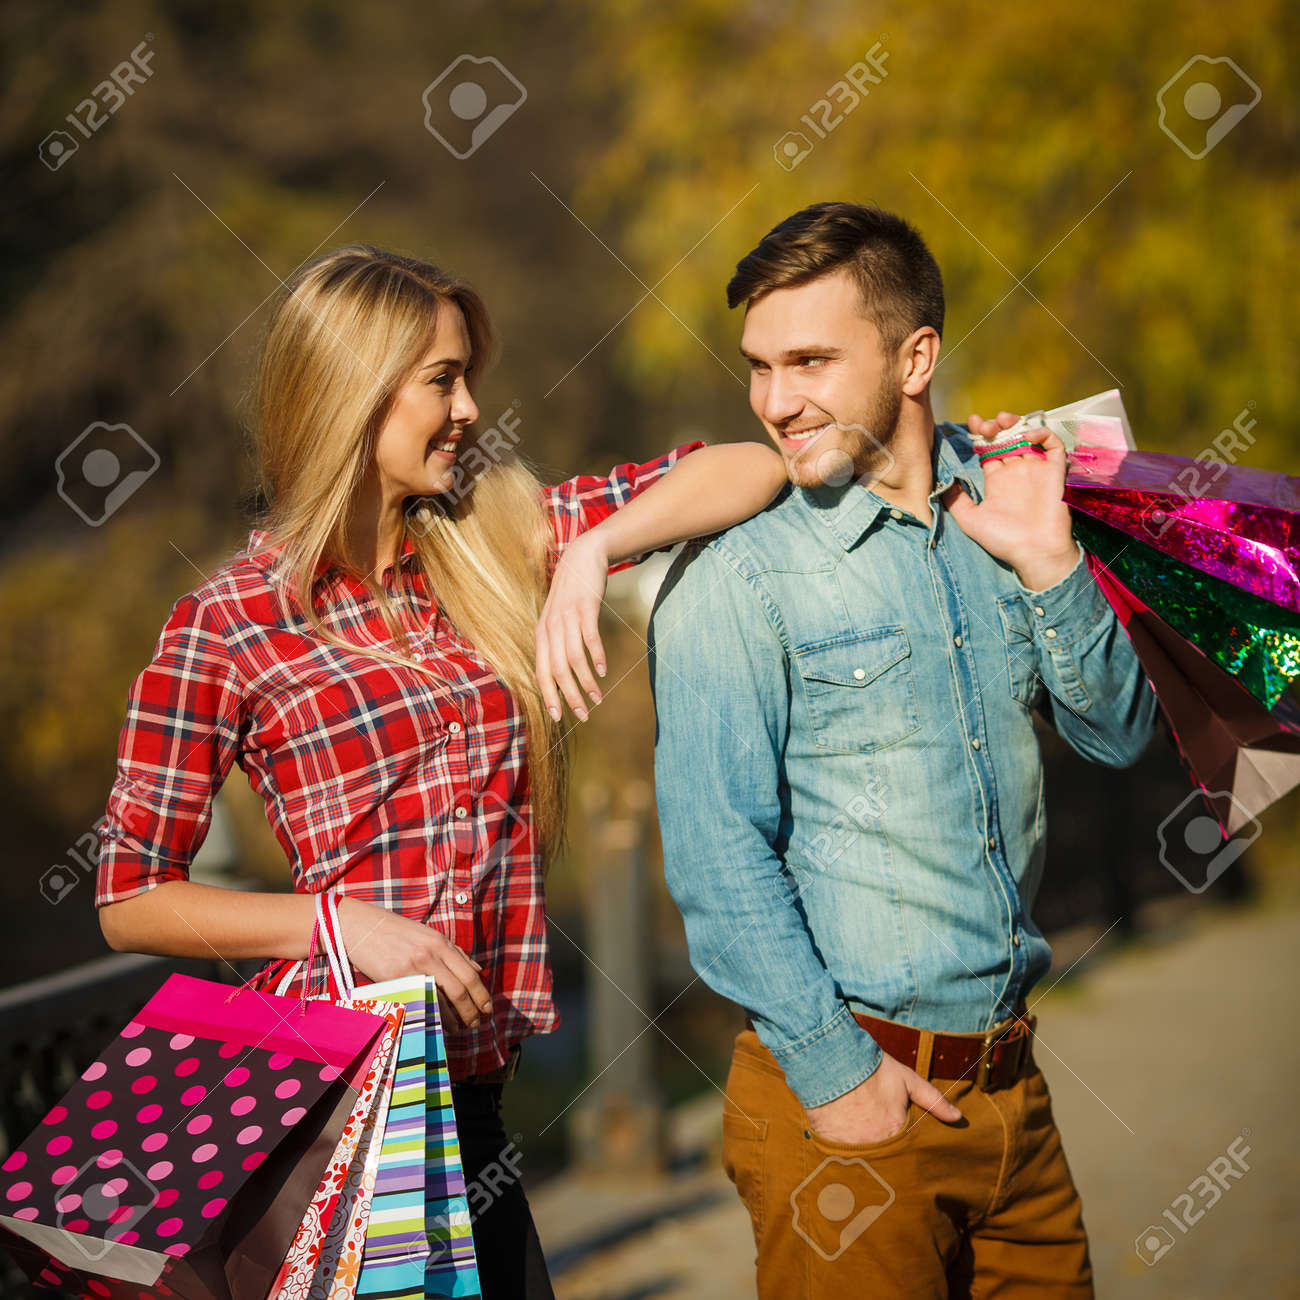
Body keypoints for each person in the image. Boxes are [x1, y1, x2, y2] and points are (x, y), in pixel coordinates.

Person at [93, 244, 787, 1299]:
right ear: (351, 392)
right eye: (440, 379)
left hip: (476, 1112)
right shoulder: (228, 626)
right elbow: (129, 897)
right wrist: (338, 925)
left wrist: (596, 550)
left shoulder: (492, 538)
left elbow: (749, 466)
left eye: (468, 375)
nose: (469, 408)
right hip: (343, 1117)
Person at [648, 203, 1158, 1298]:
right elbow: (712, 849)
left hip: (1014, 1097)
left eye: (811, 361)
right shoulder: (737, 578)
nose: (775, 402)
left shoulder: (1011, 503)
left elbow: (1118, 738)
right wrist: (840, 1080)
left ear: (916, 355)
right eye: (758, 366)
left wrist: (1048, 562)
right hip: (847, 1112)